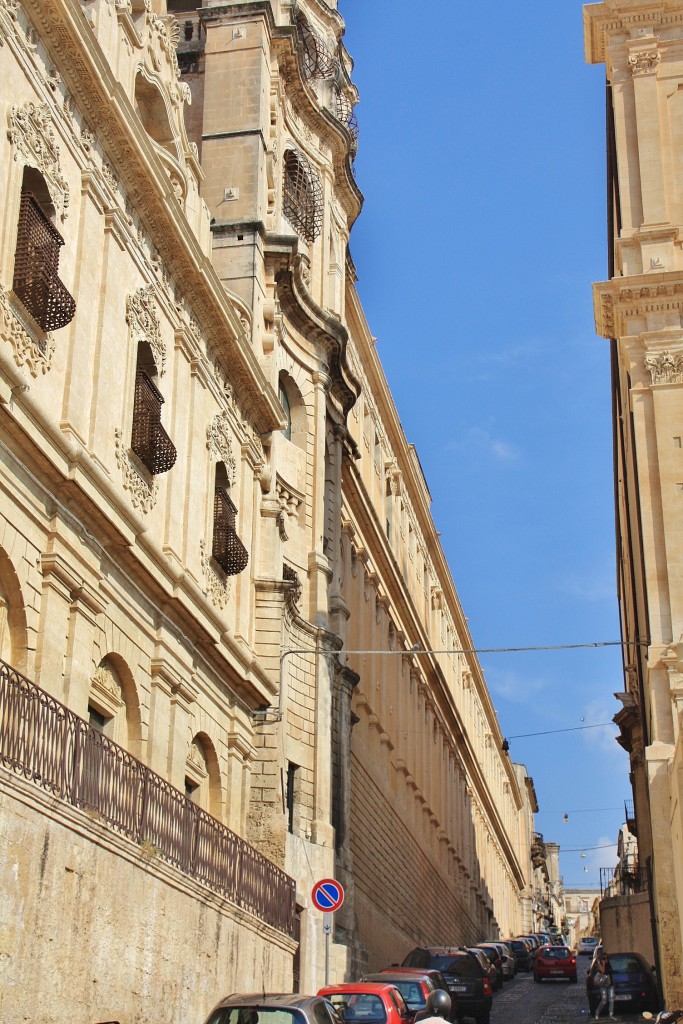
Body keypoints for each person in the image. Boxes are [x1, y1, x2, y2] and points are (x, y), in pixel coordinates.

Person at [591, 954, 615, 1021]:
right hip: (603, 985)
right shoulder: (599, 964)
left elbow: (611, 974)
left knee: (611, 1000)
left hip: (610, 984)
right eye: (604, 958)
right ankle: (597, 1012)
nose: (606, 960)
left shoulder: (609, 964)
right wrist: (603, 963)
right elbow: (603, 971)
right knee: (604, 1000)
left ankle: (611, 1015)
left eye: (606, 958)